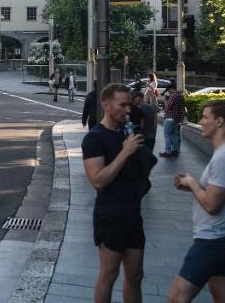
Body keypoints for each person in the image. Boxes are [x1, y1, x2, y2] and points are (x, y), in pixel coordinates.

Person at [167, 100, 225, 303]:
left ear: (220, 122)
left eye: (205, 117)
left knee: (176, 298)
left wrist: (193, 183)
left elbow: (212, 205)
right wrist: (192, 188)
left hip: (213, 240)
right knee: (222, 297)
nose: (201, 121)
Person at [82, 83, 150, 303]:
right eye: (122, 105)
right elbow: (98, 181)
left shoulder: (127, 132)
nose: (127, 110)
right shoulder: (95, 138)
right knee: (109, 274)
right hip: (110, 214)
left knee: (136, 275)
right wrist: (125, 152)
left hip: (133, 213)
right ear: (106, 105)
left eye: (129, 105)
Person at [160, 84, 187, 158]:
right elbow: (182, 108)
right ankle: (175, 150)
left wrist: (166, 100)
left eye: (168, 90)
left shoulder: (173, 95)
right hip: (177, 119)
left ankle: (168, 151)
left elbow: (168, 107)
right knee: (175, 134)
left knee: (167, 135)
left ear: (171, 88)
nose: (168, 91)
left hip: (170, 118)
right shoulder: (180, 95)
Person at [130, 87, 159, 154]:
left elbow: (140, 125)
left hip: (141, 137)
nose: (133, 100)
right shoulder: (152, 107)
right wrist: (154, 134)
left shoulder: (137, 109)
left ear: (139, 98)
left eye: (134, 98)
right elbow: (155, 123)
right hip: (151, 137)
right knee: (149, 157)